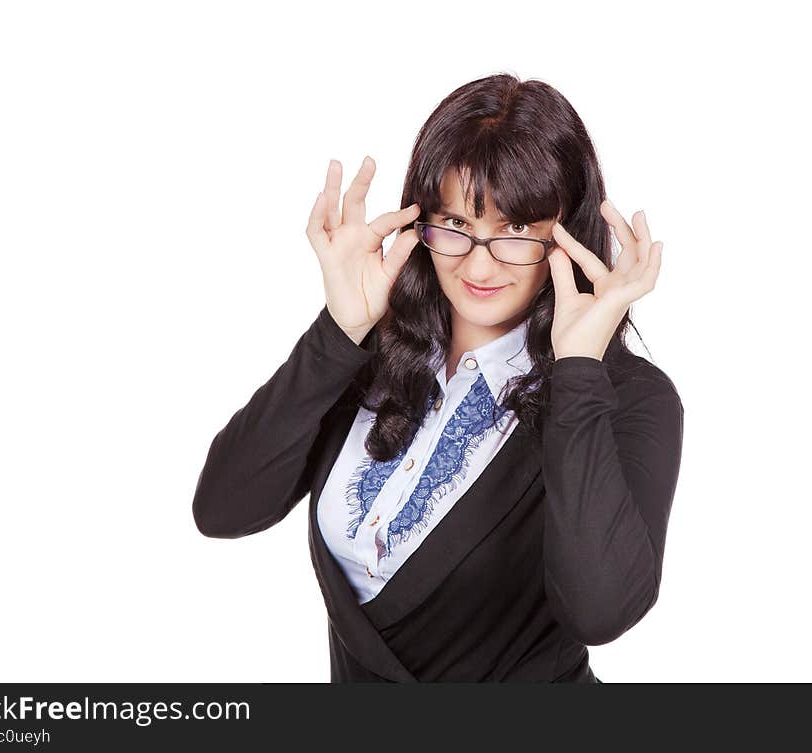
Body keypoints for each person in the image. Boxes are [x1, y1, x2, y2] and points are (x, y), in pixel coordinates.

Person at [192, 73, 684, 682]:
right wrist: (337, 335)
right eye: (455, 224)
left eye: (515, 230)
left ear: (566, 235)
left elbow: (602, 611)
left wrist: (579, 371)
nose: (479, 263)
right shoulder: (376, 350)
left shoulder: (627, 396)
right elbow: (221, 508)